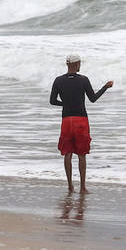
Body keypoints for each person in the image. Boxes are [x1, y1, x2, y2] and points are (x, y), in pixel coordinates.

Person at [50, 53, 113, 194]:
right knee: (82, 154)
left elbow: (52, 101)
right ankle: (83, 187)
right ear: (77, 64)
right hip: (81, 120)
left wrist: (65, 104)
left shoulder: (58, 80)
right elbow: (93, 99)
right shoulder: (83, 80)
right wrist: (106, 87)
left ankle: (70, 186)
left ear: (67, 64)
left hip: (66, 120)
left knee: (67, 153)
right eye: (80, 63)